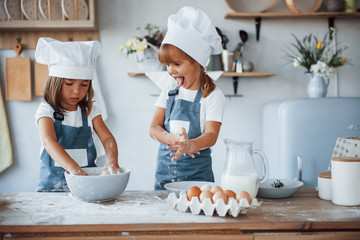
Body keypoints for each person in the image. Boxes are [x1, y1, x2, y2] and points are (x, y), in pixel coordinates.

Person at [150, 6, 225, 190]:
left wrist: (190, 145)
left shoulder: (213, 96)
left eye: (177, 63)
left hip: (198, 180)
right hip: (164, 177)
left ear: (197, 62)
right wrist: (171, 139)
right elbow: (153, 128)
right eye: (167, 65)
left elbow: (211, 135)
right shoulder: (168, 90)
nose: (171, 70)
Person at [34, 37, 120, 192]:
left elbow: (107, 138)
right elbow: (49, 142)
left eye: (84, 84)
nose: (77, 91)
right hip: (52, 191)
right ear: (55, 82)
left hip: (86, 188)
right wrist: (75, 170)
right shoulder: (46, 111)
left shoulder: (90, 111)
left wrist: (112, 161)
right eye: (69, 83)